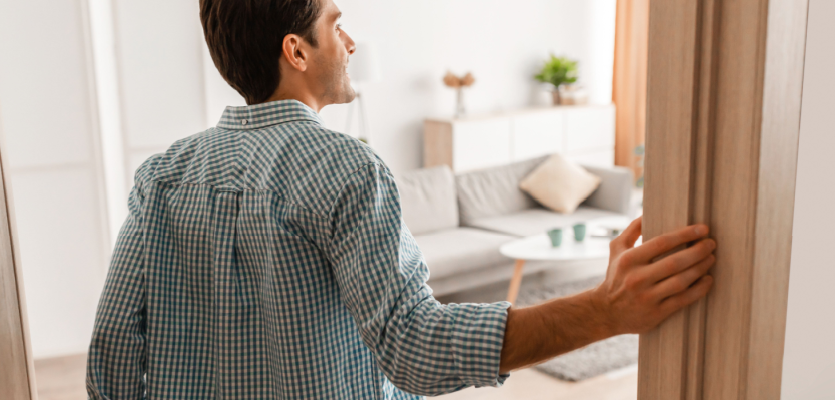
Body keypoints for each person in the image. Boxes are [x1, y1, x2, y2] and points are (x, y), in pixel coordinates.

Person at [86, 0, 718, 398]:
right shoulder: (345, 169)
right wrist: (605, 311)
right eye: (337, 23)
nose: (351, 42)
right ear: (296, 50)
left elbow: (112, 368)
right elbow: (417, 351)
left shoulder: (160, 177)